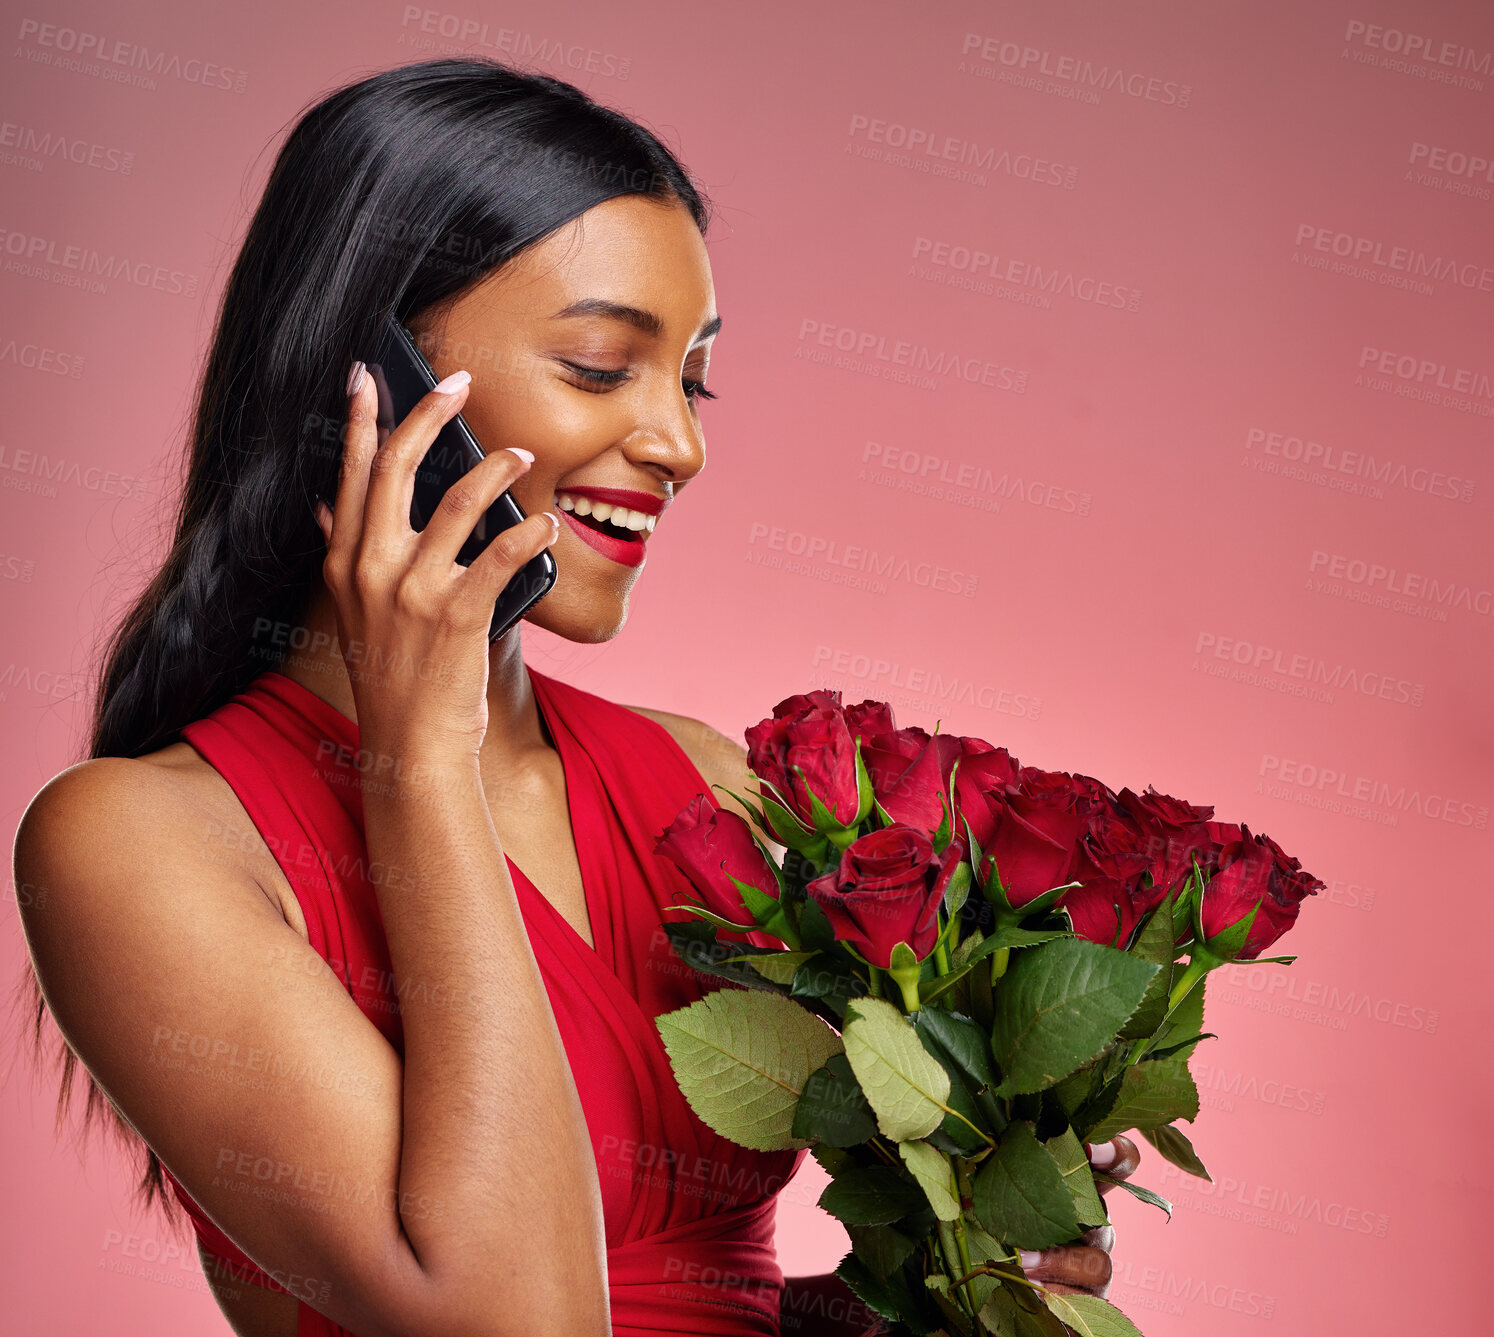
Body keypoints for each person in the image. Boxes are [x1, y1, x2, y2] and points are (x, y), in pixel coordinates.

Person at [14, 58, 1140, 1337]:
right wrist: (421, 766)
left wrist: (969, 1272)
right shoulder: (131, 846)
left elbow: (716, 1300)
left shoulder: (704, 785)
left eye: (693, 379)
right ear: (367, 380)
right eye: (604, 367)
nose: (681, 442)